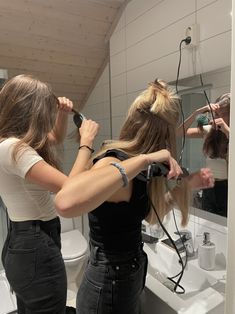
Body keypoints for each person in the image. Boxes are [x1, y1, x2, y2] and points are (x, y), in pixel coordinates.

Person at [55, 79, 214, 314]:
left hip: (128, 274)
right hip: (109, 282)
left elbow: (150, 216)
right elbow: (65, 202)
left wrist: (187, 186)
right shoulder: (113, 161)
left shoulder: (137, 171)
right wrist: (143, 160)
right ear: (163, 137)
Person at [0, 74, 99, 314]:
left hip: (24, 243)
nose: (46, 115)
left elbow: (52, 139)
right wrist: (86, 143)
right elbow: (71, 191)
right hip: (35, 246)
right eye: (45, 110)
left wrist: (62, 115)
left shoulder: (9, 144)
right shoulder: (14, 148)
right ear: (31, 110)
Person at [177, 93, 230, 216]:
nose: (219, 117)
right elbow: (179, 132)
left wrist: (227, 131)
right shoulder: (209, 131)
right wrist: (197, 112)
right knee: (210, 222)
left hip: (228, 188)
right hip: (209, 186)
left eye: (224, 113)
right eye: (217, 113)